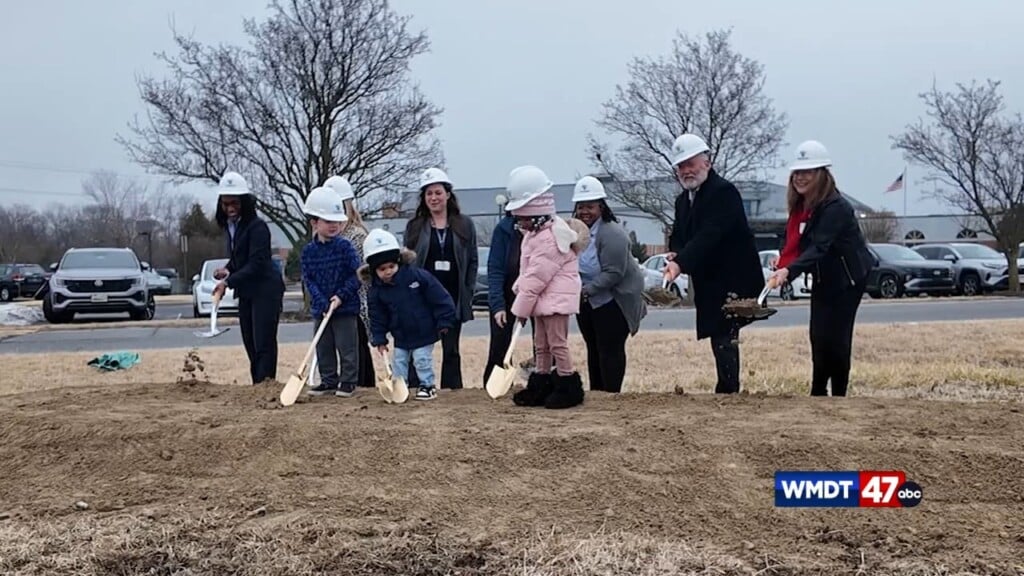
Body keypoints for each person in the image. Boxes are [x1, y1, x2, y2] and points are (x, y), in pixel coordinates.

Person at [767, 140, 874, 397]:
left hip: (848, 278)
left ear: (821, 174)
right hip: (823, 277)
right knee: (818, 335)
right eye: (797, 172)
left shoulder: (836, 207)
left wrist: (789, 271)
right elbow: (793, 239)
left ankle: (838, 395)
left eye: (807, 172)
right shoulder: (802, 207)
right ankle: (817, 392)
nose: (800, 178)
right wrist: (782, 260)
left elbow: (819, 246)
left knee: (837, 337)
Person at [663, 134, 765, 394]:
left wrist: (682, 263)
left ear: (707, 163)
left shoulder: (723, 192)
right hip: (709, 280)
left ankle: (729, 390)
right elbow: (680, 235)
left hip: (734, 279)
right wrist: (676, 254)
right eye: (681, 166)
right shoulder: (682, 201)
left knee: (724, 335)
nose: (686, 171)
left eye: (691, 164)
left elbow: (710, 234)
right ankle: (726, 386)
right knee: (718, 334)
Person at [504, 165, 588, 410]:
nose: (520, 222)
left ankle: (567, 385)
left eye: (523, 217)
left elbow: (537, 277)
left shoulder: (550, 239)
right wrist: (520, 291)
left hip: (556, 300)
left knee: (557, 343)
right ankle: (540, 384)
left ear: (536, 214)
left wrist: (520, 309)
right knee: (540, 344)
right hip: (542, 299)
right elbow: (527, 273)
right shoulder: (533, 236)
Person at [402, 167, 478, 390]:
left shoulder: (464, 224)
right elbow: (406, 261)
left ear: (448, 195)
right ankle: (417, 386)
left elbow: (472, 259)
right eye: (429, 194)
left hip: (452, 295)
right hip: (423, 295)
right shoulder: (415, 226)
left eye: (438, 192)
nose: (434, 198)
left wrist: (468, 289)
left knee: (451, 349)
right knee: (418, 346)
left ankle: (452, 389)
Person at [571, 176, 648, 393]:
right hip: (588, 301)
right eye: (581, 207)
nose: (585, 212)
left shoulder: (612, 234)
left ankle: (612, 396)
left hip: (614, 301)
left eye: (590, 207)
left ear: (601, 207)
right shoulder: (575, 232)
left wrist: (586, 291)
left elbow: (614, 273)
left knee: (609, 351)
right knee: (593, 348)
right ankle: (597, 394)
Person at [361, 228, 457, 401]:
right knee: (399, 362)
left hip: (424, 330)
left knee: (421, 359)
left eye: (391, 266)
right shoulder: (376, 291)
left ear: (399, 262)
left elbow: (440, 297)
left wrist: (444, 320)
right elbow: (377, 317)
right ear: (374, 270)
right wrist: (379, 339)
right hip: (401, 334)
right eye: (382, 269)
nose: (388, 271)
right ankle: (400, 386)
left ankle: (427, 386)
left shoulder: (417, 277)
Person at [212, 171, 285, 385]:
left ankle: (266, 385)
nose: (230, 208)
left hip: (266, 291)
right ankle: (257, 385)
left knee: (263, 342)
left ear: (244, 202)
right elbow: (240, 259)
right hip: (247, 292)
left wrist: (228, 282)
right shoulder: (231, 227)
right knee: (250, 343)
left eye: (234, 203)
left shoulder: (258, 227)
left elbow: (257, 263)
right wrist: (227, 269)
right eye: (225, 203)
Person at [300, 186, 362, 397]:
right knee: (323, 346)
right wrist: (321, 301)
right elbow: (309, 280)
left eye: (337, 221)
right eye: (328, 221)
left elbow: (357, 275)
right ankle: (328, 380)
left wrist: (341, 296)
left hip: (345, 307)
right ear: (314, 223)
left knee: (347, 346)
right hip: (322, 309)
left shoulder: (345, 247)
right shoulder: (308, 252)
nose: (334, 225)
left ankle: (348, 381)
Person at [324, 174, 376, 389]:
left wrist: (343, 292)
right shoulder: (325, 237)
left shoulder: (357, 236)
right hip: (333, 301)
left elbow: (359, 274)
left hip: (355, 303)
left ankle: (362, 385)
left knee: (357, 349)